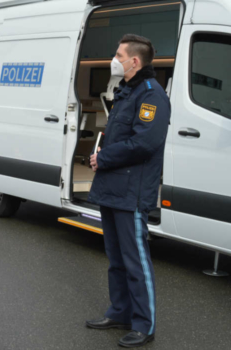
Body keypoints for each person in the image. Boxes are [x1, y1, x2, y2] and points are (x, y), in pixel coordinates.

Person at [86, 34, 170, 348]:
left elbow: (144, 143)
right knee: (116, 258)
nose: (115, 59)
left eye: (119, 54)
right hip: (111, 187)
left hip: (131, 192)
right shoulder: (127, 91)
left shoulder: (151, 95)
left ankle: (144, 325)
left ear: (134, 61)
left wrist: (103, 157)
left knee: (136, 261)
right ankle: (120, 311)